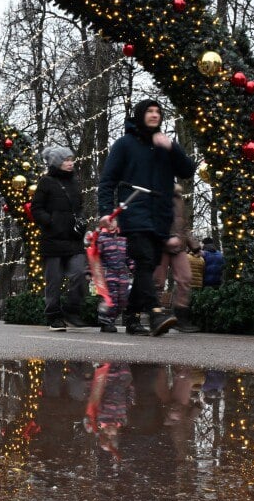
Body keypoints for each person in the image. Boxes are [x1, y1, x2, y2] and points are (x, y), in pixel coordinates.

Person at [98, 99, 196, 336]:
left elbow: (187, 171)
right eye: (150, 111)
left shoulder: (165, 145)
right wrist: (105, 213)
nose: (154, 115)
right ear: (140, 115)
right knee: (143, 261)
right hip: (134, 209)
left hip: (160, 214)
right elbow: (107, 180)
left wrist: (173, 147)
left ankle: (131, 317)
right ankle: (155, 312)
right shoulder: (124, 145)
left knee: (149, 267)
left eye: (158, 112)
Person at [30, 145, 87, 331]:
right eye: (66, 160)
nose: (70, 163)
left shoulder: (75, 183)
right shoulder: (46, 182)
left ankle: (72, 309)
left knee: (79, 273)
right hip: (53, 239)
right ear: (56, 163)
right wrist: (51, 221)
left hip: (73, 238)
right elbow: (36, 209)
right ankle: (54, 316)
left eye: (71, 159)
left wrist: (82, 222)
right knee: (53, 281)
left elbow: (79, 207)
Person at [152, 184, 201, 332]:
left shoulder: (179, 198)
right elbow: (153, 219)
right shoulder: (155, 192)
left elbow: (183, 225)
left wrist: (195, 246)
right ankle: (156, 316)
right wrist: (165, 237)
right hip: (160, 244)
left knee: (186, 278)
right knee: (157, 282)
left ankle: (181, 317)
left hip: (178, 245)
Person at [84, 362, 134, 459]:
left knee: (110, 371)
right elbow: (128, 400)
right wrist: (130, 389)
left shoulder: (98, 419)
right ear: (117, 433)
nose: (109, 432)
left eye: (106, 434)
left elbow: (92, 398)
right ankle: (120, 360)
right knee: (126, 377)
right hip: (121, 385)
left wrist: (90, 380)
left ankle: (108, 362)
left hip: (106, 382)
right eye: (112, 435)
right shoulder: (122, 420)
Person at [95, 226, 134, 333]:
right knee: (110, 298)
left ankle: (112, 318)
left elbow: (128, 256)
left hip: (122, 274)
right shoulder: (101, 239)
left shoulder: (123, 238)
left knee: (123, 298)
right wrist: (91, 271)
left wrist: (132, 266)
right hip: (108, 273)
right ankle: (106, 321)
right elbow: (95, 256)